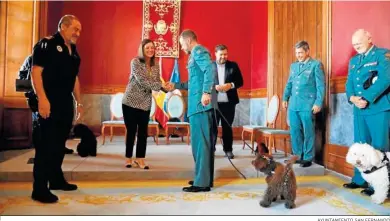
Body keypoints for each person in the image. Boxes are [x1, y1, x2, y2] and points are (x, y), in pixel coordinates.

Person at [30, 15, 82, 203]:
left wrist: (78, 102)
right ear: (63, 26)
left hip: (65, 102)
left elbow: (75, 79)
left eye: (79, 30)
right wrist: (42, 99)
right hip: (49, 100)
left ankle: (56, 180)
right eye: (75, 29)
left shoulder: (74, 51)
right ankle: (39, 188)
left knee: (59, 144)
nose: (78, 33)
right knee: (45, 145)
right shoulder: (47, 44)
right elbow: (36, 72)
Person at [166, 29, 216, 192]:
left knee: (200, 144)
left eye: (181, 44)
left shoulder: (198, 50)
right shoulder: (193, 55)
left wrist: (207, 92)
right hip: (196, 106)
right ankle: (203, 178)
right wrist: (176, 85)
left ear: (188, 41)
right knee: (199, 144)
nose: (181, 48)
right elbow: (194, 82)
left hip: (200, 106)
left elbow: (210, 69)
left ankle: (202, 183)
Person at [343, 29, 390, 196]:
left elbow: (386, 79)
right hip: (359, 110)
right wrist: (352, 98)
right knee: (360, 145)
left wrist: (366, 98)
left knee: (379, 146)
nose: (356, 47)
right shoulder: (354, 61)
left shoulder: (383, 54)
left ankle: (379, 184)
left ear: (370, 38)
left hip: (378, 108)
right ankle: (360, 179)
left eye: (359, 43)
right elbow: (349, 83)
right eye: (354, 44)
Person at [122, 39, 167, 170]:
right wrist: (161, 86)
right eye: (147, 48)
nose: (150, 50)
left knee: (143, 133)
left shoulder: (156, 65)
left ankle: (140, 159)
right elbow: (142, 81)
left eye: (152, 48)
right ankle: (128, 158)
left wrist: (167, 88)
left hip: (145, 103)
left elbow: (157, 82)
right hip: (130, 101)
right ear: (142, 49)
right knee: (131, 131)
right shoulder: (135, 62)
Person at [282, 40, 325, 168]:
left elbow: (321, 86)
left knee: (308, 131)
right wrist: (285, 98)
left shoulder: (316, 65)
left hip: (308, 105)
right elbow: (289, 83)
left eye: (301, 52)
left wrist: (318, 103)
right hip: (293, 105)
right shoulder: (293, 66)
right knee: (294, 131)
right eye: (297, 53)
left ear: (307, 51)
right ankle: (297, 156)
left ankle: (307, 158)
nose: (298, 55)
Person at [212, 44, 243, 159]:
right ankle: (211, 150)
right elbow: (205, 82)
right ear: (215, 54)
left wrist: (230, 85)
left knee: (227, 127)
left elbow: (240, 81)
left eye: (225, 54)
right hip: (214, 102)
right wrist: (214, 87)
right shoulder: (210, 66)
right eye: (221, 54)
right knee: (213, 127)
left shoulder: (233, 65)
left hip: (229, 103)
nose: (223, 57)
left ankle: (228, 150)